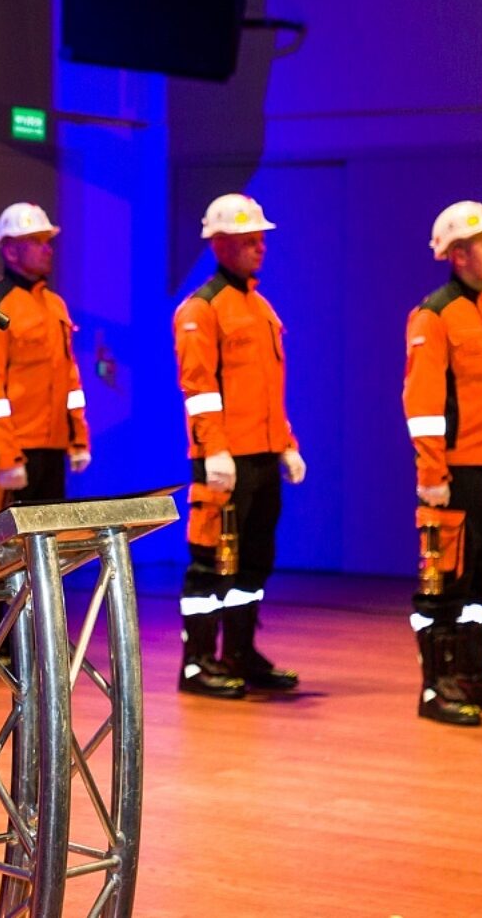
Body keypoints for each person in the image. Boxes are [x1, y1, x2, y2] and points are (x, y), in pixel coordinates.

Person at [402, 200, 482, 727]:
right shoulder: (434, 316)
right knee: (444, 583)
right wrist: (432, 474)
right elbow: (423, 406)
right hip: (452, 475)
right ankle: (437, 687)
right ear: (458, 255)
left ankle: (474, 674)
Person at [172, 193, 306, 698]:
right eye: (249, 240)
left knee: (254, 561)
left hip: (263, 456)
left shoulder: (260, 307)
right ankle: (197, 663)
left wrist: (286, 444)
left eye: (261, 239)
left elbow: (268, 392)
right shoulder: (202, 309)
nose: (260, 247)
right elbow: (200, 390)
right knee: (211, 563)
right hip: (225, 462)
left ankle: (239, 652)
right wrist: (214, 450)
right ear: (221, 244)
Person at [0, 201, 89, 657]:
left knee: (42, 550)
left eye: (48, 241)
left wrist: (78, 438)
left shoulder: (54, 305)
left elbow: (70, 381)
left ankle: (33, 640)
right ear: (11, 250)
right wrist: (7, 457)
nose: (47, 249)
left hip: (51, 449)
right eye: (37, 241)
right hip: (12, 457)